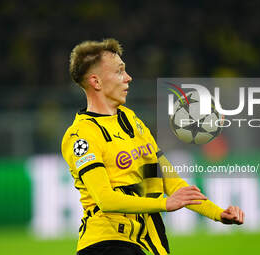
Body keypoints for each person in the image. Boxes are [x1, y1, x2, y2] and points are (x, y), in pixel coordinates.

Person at [61, 38, 244, 255]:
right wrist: (165, 205)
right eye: (119, 71)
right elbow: (106, 199)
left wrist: (218, 214)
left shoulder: (132, 121)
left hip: (142, 242)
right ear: (96, 82)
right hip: (106, 243)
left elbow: (172, 183)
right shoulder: (82, 134)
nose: (128, 78)